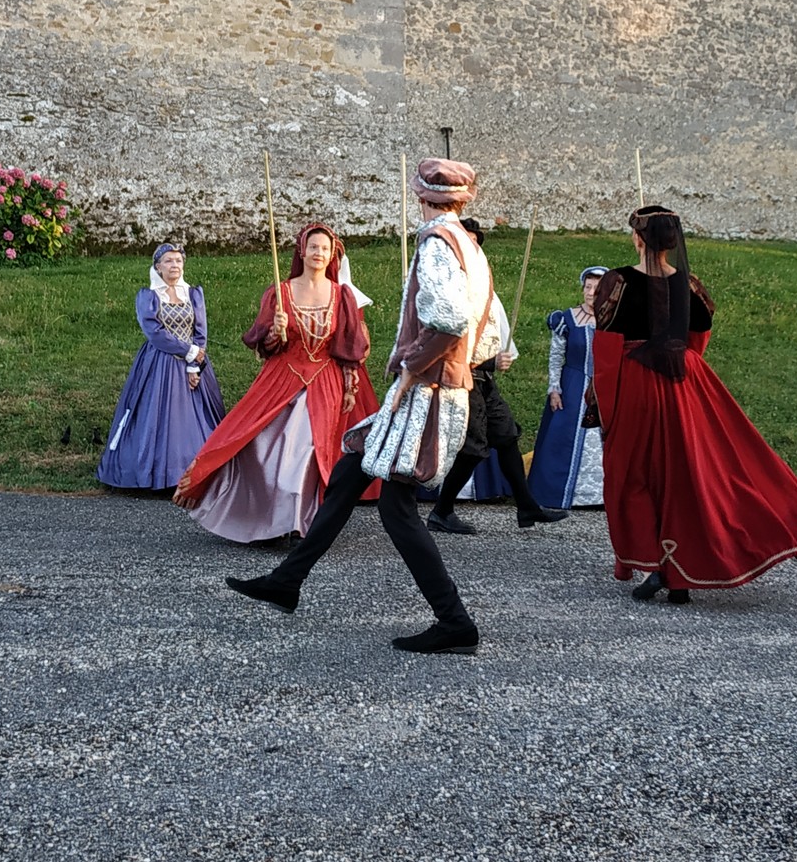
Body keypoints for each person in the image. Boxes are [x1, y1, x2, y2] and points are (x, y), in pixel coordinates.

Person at [224, 157, 507, 654]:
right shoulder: (470, 246)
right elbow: (484, 331)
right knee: (350, 474)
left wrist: (411, 368)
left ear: (422, 196)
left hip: (426, 391)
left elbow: (450, 321)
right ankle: (287, 581)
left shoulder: (437, 243)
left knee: (397, 508)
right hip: (438, 386)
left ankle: (455, 621)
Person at [595, 206, 797, 602]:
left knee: (636, 473)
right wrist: (678, 363)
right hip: (686, 381)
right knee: (686, 473)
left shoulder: (617, 282)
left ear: (638, 239)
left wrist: (604, 404)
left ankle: (658, 566)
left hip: (636, 383)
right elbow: (699, 336)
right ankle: (680, 572)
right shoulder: (690, 284)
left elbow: (606, 345)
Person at [171, 223, 377, 542]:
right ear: (302, 251)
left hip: (325, 383)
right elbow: (266, 347)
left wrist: (350, 385)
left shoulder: (342, 296)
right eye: (313, 247)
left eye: (325, 249)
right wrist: (275, 331)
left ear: (332, 254)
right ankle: (268, 518)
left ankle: (300, 521)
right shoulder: (280, 293)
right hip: (283, 378)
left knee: (311, 451)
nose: (319, 253)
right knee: (265, 445)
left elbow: (348, 347)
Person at [426, 217, 569, 534]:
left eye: (475, 243)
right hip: (460, 381)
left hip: (483, 380)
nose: (471, 247)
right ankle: (441, 511)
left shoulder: (482, 287)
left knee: (506, 436)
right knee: (473, 448)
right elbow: (444, 340)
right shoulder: (446, 286)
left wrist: (498, 357)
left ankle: (527, 507)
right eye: (466, 241)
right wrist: (489, 362)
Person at [97, 243, 226, 490]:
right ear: (158, 267)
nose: (174, 265)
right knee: (159, 418)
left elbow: (200, 331)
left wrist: (194, 364)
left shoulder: (193, 294)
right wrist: (187, 351)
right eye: (168, 261)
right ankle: (159, 475)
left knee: (195, 419)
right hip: (160, 363)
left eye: (178, 260)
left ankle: (197, 474)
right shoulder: (149, 297)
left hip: (192, 364)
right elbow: (154, 333)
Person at [524, 266, 609, 511]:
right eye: (588, 287)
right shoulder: (568, 319)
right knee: (564, 437)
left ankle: (600, 495)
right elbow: (556, 356)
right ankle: (561, 493)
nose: (591, 293)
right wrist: (554, 389)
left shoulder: (613, 321)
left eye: (596, 289)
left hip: (604, 386)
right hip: (573, 385)